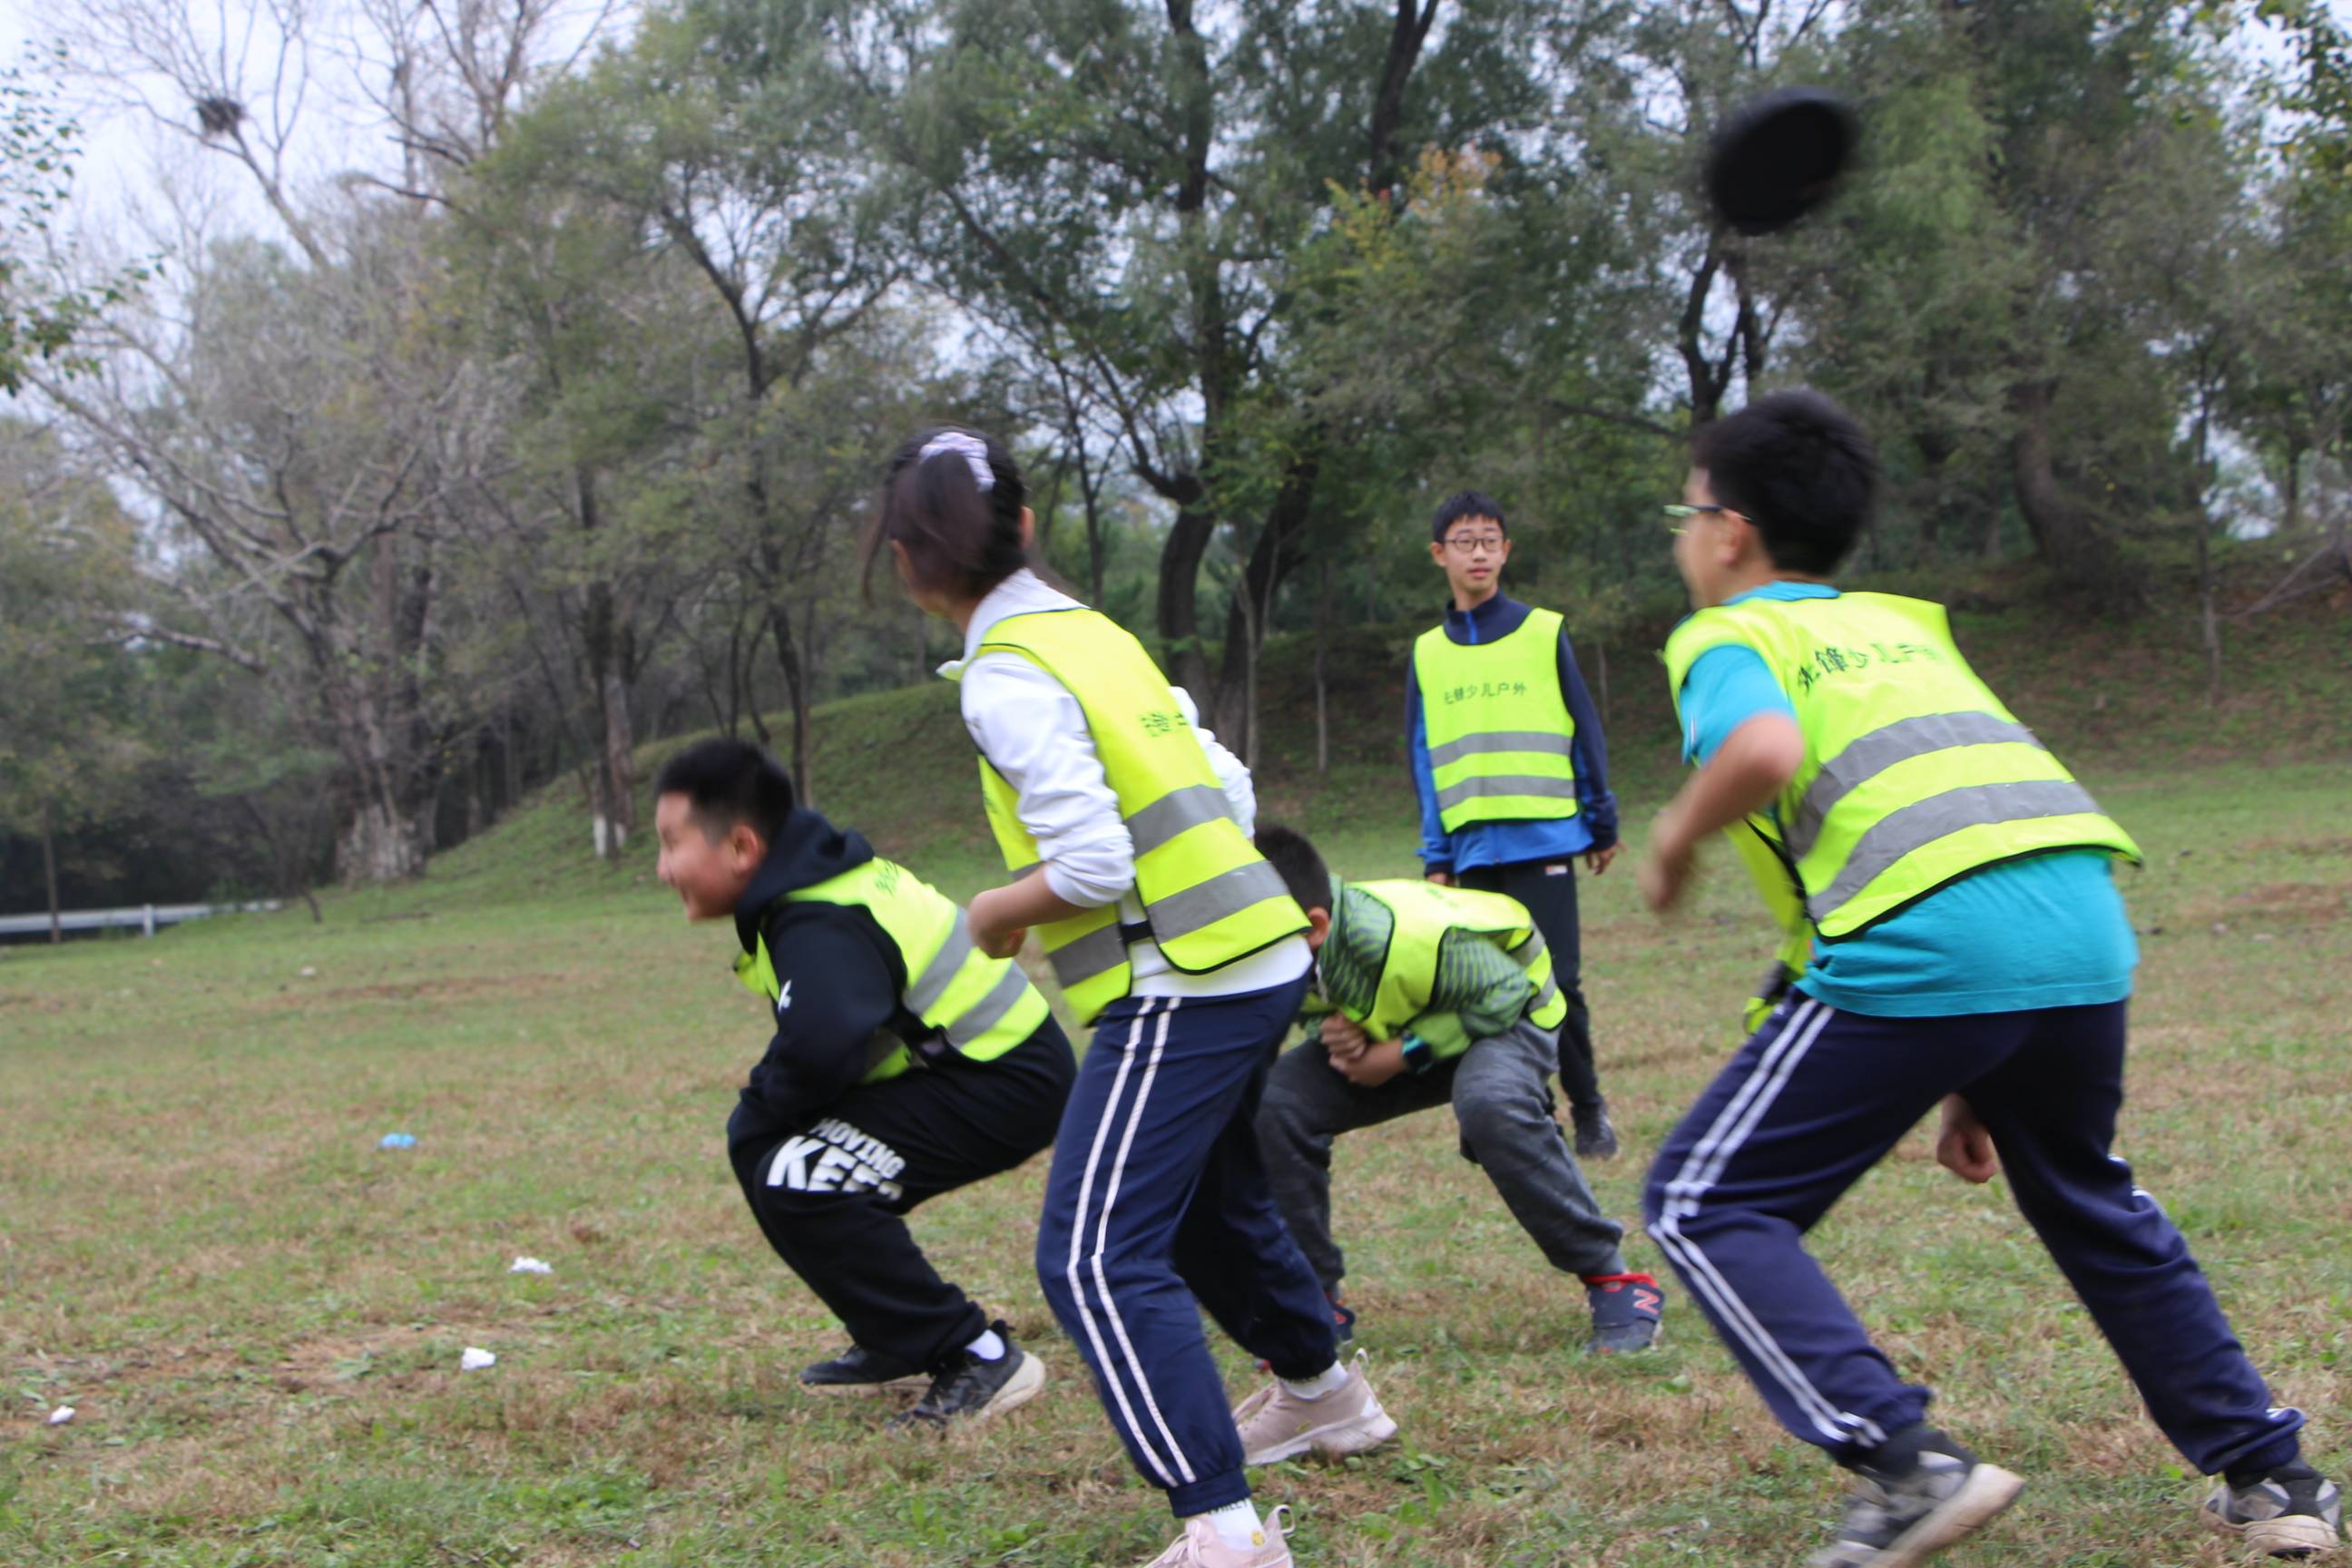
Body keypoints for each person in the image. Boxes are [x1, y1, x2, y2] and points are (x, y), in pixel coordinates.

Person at [1636, 389, 2340, 1567]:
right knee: (2086, 1194)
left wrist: (1671, 841)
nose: (1681, 535)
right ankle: (2276, 1474)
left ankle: (1907, 1465)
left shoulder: (1729, 636)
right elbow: (1958, 808)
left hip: (1934, 939)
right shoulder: (1905, 628)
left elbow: (1764, 752)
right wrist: (1979, 1078)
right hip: (2076, 927)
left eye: (1684, 508)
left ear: (1730, 531)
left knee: (1702, 1201)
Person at [864, 427, 1396, 1568]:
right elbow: (1230, 782)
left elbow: (1097, 865)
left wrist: (994, 916)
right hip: (1254, 951)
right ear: (1027, 529)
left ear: (907, 561)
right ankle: (1322, 1391)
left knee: (1094, 1255)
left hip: (1182, 979)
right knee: (1206, 1203)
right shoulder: (1091, 637)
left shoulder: (1007, 674)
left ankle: (1223, 1529)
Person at [652, 737, 1074, 1426]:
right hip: (967, 1069)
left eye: (673, 845)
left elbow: (826, 1043)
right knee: (764, 1151)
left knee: (799, 1177)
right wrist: (761, 1116)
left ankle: (979, 1355)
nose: (663, 867)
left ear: (740, 848)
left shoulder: (817, 915)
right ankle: (894, 1336)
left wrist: (766, 1104)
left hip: (1003, 1082)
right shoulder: (808, 885)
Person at [1250, 824, 1666, 1355]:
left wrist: (1402, 1054)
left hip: (1513, 1015)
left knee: (1490, 1103)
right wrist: (1337, 1031)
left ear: (1314, 926)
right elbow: (1326, 1001)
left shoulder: (1395, 936)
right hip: (1415, 1025)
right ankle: (1312, 1304)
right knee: (1274, 1103)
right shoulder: (1288, 946)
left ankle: (1617, 1282)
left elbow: (1507, 994)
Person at [1407, 491, 1623, 1159]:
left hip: (1547, 838)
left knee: (1558, 982)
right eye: (1465, 541)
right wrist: (1436, 850)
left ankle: (1589, 1111)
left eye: (1490, 540)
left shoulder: (1543, 630)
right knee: (1483, 989)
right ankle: (1515, 1118)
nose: (1479, 552)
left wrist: (1602, 818)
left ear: (1506, 551)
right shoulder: (1426, 653)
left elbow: (1584, 727)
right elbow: (1424, 758)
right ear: (1439, 554)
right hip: (1472, 851)